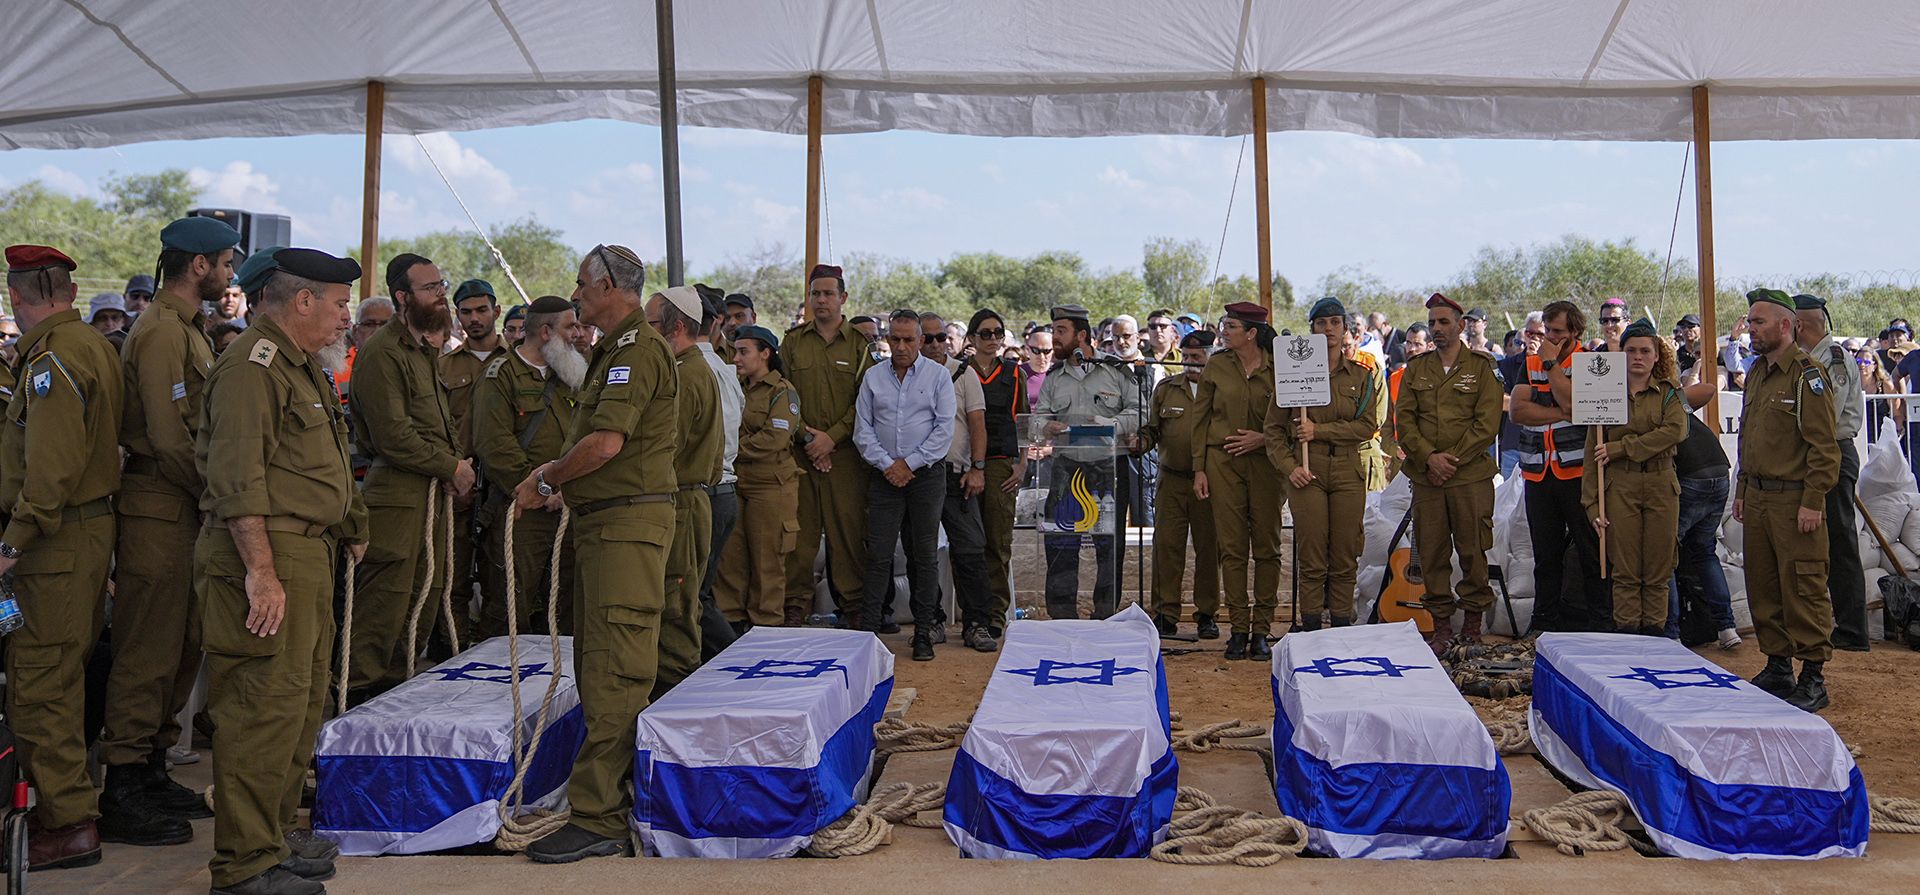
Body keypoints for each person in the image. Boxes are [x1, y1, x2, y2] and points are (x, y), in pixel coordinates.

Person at [194, 247, 365, 895]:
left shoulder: (300, 365)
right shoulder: (254, 365)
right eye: (339, 303)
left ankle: (270, 837)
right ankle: (243, 863)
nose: (345, 317)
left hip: (305, 551)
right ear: (303, 300)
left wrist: (349, 525)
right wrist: (261, 572)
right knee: (259, 707)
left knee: (296, 703)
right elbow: (237, 479)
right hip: (266, 552)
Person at [510, 243, 678, 862]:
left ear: (609, 287)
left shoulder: (634, 351)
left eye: (582, 284)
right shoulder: (613, 350)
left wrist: (549, 478)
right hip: (608, 525)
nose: (576, 294)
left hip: (624, 531)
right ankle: (602, 803)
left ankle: (600, 815)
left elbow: (606, 443)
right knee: (601, 664)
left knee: (614, 671)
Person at [100, 216, 240, 846]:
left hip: (181, 503)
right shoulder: (159, 330)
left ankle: (152, 766)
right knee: (148, 648)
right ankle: (124, 783)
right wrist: (216, 496)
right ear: (198, 265)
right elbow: (166, 435)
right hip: (159, 502)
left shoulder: (187, 328)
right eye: (226, 263)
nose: (230, 275)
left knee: (182, 643)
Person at [2, 245, 128, 870]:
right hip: (82, 533)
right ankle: (67, 809)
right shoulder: (90, 344)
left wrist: (11, 544)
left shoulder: (51, 359)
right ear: (71, 293)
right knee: (59, 673)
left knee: (40, 684)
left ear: (16, 296)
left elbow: (51, 470)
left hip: (54, 542)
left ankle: (68, 821)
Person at [344, 253, 475, 702]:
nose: (441, 295)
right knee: (384, 609)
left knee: (423, 601)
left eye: (442, 285)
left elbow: (437, 425)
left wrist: (453, 468)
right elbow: (394, 436)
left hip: (429, 495)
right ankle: (355, 710)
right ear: (403, 297)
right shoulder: (383, 352)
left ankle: (392, 703)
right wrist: (451, 467)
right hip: (397, 498)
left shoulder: (423, 351)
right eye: (430, 288)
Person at [1737, 289, 1840, 713]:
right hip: (1759, 496)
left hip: (1794, 499)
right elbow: (1748, 437)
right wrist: (1742, 490)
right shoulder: (1758, 372)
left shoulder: (1806, 374)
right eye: (1750, 321)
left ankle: (1813, 676)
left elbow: (1824, 448)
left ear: (1785, 325)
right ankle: (1778, 666)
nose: (1750, 328)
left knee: (1803, 585)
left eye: (1758, 322)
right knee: (1763, 585)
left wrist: (1813, 500)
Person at [1267, 297, 1385, 630]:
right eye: (1321, 323)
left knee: (1345, 553)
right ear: (1312, 329)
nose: (1328, 329)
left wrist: (1319, 430)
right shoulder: (1292, 374)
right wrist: (1290, 467)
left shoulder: (1361, 375)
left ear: (1345, 328)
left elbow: (1367, 426)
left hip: (1348, 467)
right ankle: (1311, 626)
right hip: (1308, 470)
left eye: (1335, 322)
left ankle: (1341, 624)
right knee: (1312, 554)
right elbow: (1273, 430)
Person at [1396, 294, 1503, 653]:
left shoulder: (1482, 367)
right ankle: (1441, 628)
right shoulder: (1416, 369)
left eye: (1444, 322)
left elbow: (1487, 424)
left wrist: (1449, 460)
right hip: (1427, 477)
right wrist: (1429, 458)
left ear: (1461, 325)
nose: (1437, 329)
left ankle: (1472, 628)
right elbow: (1404, 421)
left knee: (1473, 551)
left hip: (1469, 477)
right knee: (1432, 553)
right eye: (1432, 323)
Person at [472, 296, 583, 638]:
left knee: (565, 609)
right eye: (570, 327)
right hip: (521, 512)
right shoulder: (500, 375)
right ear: (546, 332)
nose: (578, 334)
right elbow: (494, 445)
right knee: (510, 610)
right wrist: (543, 490)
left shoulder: (569, 374)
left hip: (568, 509)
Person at [853, 311, 955, 660]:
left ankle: (924, 631)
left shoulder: (939, 376)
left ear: (920, 341)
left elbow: (943, 430)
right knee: (878, 553)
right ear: (887, 339)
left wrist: (908, 464)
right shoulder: (873, 377)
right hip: (884, 475)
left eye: (908, 340)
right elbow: (863, 429)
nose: (900, 346)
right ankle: (869, 633)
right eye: (895, 339)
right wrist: (888, 465)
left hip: (925, 475)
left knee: (923, 554)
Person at [782, 265, 875, 627]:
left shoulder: (859, 345)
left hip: (845, 457)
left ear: (843, 298)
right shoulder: (792, 343)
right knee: (799, 534)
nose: (821, 300)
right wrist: (809, 439)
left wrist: (830, 438)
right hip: (802, 455)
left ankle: (852, 605)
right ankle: (795, 604)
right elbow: (783, 396)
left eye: (828, 294)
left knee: (847, 533)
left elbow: (865, 402)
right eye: (815, 294)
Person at [1035, 304, 1140, 622]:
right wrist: (1047, 426)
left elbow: (1139, 410)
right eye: (1054, 330)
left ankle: (1105, 613)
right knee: (1061, 541)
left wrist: (1110, 424)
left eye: (1061, 331)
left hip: (1108, 467)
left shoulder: (1115, 370)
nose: (1055, 337)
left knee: (1108, 545)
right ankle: (1062, 614)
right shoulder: (1055, 377)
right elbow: (1037, 417)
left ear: (1081, 335)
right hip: (1067, 467)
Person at [1582, 319, 1687, 635]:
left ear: (1656, 356)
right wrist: (1591, 504)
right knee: (1625, 569)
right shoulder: (1603, 393)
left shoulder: (1669, 393)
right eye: (1631, 351)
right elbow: (1592, 452)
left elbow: (1676, 431)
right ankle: (1627, 638)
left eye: (1645, 351)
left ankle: (1654, 638)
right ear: (1621, 355)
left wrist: (1622, 448)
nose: (1638, 357)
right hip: (1620, 485)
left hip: (1660, 482)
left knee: (1658, 568)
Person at [1192, 302, 1281, 660]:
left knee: (1267, 548)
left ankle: (1262, 629)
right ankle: (1239, 628)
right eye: (1224, 325)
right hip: (1222, 464)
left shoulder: (1280, 367)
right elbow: (1200, 420)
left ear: (1251, 333)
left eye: (1231, 326)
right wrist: (1199, 468)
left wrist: (1263, 439)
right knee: (1232, 548)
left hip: (1267, 466)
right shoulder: (1217, 365)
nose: (1224, 331)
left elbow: (1296, 419)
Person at [1515, 300, 1608, 633]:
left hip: (1579, 473)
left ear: (1575, 332)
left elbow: (1575, 402)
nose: (1549, 338)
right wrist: (1563, 412)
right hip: (1538, 472)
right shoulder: (1529, 362)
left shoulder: (1592, 363)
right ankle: (1543, 623)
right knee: (1545, 554)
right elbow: (1518, 412)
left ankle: (1600, 622)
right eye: (1547, 331)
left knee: (1590, 550)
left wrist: (1552, 366)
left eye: (1557, 332)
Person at [648, 285, 723, 696]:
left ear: (675, 327)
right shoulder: (697, 370)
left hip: (680, 503)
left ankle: (675, 700)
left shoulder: (683, 376)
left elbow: (664, 450)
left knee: (675, 607)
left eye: (650, 325)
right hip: (691, 500)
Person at [912, 311, 996, 651]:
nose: (935, 344)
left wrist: (977, 468)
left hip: (956, 474)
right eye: (928, 338)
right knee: (922, 552)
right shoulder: (907, 374)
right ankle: (930, 621)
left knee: (970, 550)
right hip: (919, 474)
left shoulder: (963, 373)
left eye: (940, 338)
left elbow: (977, 424)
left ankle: (977, 623)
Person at [1793, 293, 1869, 652]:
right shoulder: (1814, 358)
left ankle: (1853, 630)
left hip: (1833, 452)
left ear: (1799, 325)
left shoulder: (1832, 359)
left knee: (1840, 542)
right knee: (1824, 541)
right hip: (1825, 453)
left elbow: (1826, 417)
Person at [714, 326, 802, 630]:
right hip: (735, 481)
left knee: (768, 560)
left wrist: (730, 447)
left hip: (771, 485)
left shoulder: (782, 391)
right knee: (730, 559)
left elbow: (774, 438)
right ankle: (731, 624)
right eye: (735, 351)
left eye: (744, 352)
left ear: (765, 354)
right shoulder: (734, 387)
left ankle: (766, 625)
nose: (736, 358)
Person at [439, 279, 506, 651]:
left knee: (502, 583)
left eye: (482, 310)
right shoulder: (444, 366)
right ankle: (453, 654)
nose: (474, 318)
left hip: (503, 487)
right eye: (466, 312)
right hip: (458, 487)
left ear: (496, 311)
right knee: (453, 581)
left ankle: (494, 657)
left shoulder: (516, 362)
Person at [1141, 330, 1219, 639]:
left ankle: (1207, 614)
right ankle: (1165, 613)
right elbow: (1153, 428)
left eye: (1196, 357)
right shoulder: (1167, 389)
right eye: (1186, 357)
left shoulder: (1220, 389)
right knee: (1166, 546)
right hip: (1171, 478)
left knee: (1209, 548)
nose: (1190, 363)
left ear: (1210, 358)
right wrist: (1140, 441)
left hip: (1210, 481)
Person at [966, 309, 1027, 640]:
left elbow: (1024, 421)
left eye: (998, 333)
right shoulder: (960, 371)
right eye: (985, 333)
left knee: (998, 542)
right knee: (967, 544)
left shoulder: (1014, 373)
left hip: (1001, 463)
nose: (992, 339)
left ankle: (995, 614)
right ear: (972, 338)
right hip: (965, 464)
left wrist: (1023, 464)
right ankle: (971, 613)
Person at [693, 287, 746, 657]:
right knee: (699, 592)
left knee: (693, 595)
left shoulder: (695, 371)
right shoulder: (724, 371)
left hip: (706, 492)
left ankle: (733, 663)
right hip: (722, 490)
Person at [1670, 379, 1740, 650]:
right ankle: (1726, 627)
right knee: (1704, 551)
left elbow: (1709, 389)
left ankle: (1672, 633)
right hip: (1719, 471)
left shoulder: (1656, 402)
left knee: (1666, 555)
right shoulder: (1671, 401)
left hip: (1692, 475)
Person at [1496, 313, 1544, 479]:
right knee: (1509, 494)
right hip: (1513, 444)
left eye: (1540, 334)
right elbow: (1499, 400)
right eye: (1530, 333)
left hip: (1543, 445)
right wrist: (1536, 405)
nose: (1534, 338)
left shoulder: (1555, 365)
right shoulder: (1507, 364)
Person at [1021, 326, 1053, 407]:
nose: (1041, 357)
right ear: (1027, 349)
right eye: (1036, 351)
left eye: (1046, 351)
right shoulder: (1017, 373)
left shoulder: (1060, 373)